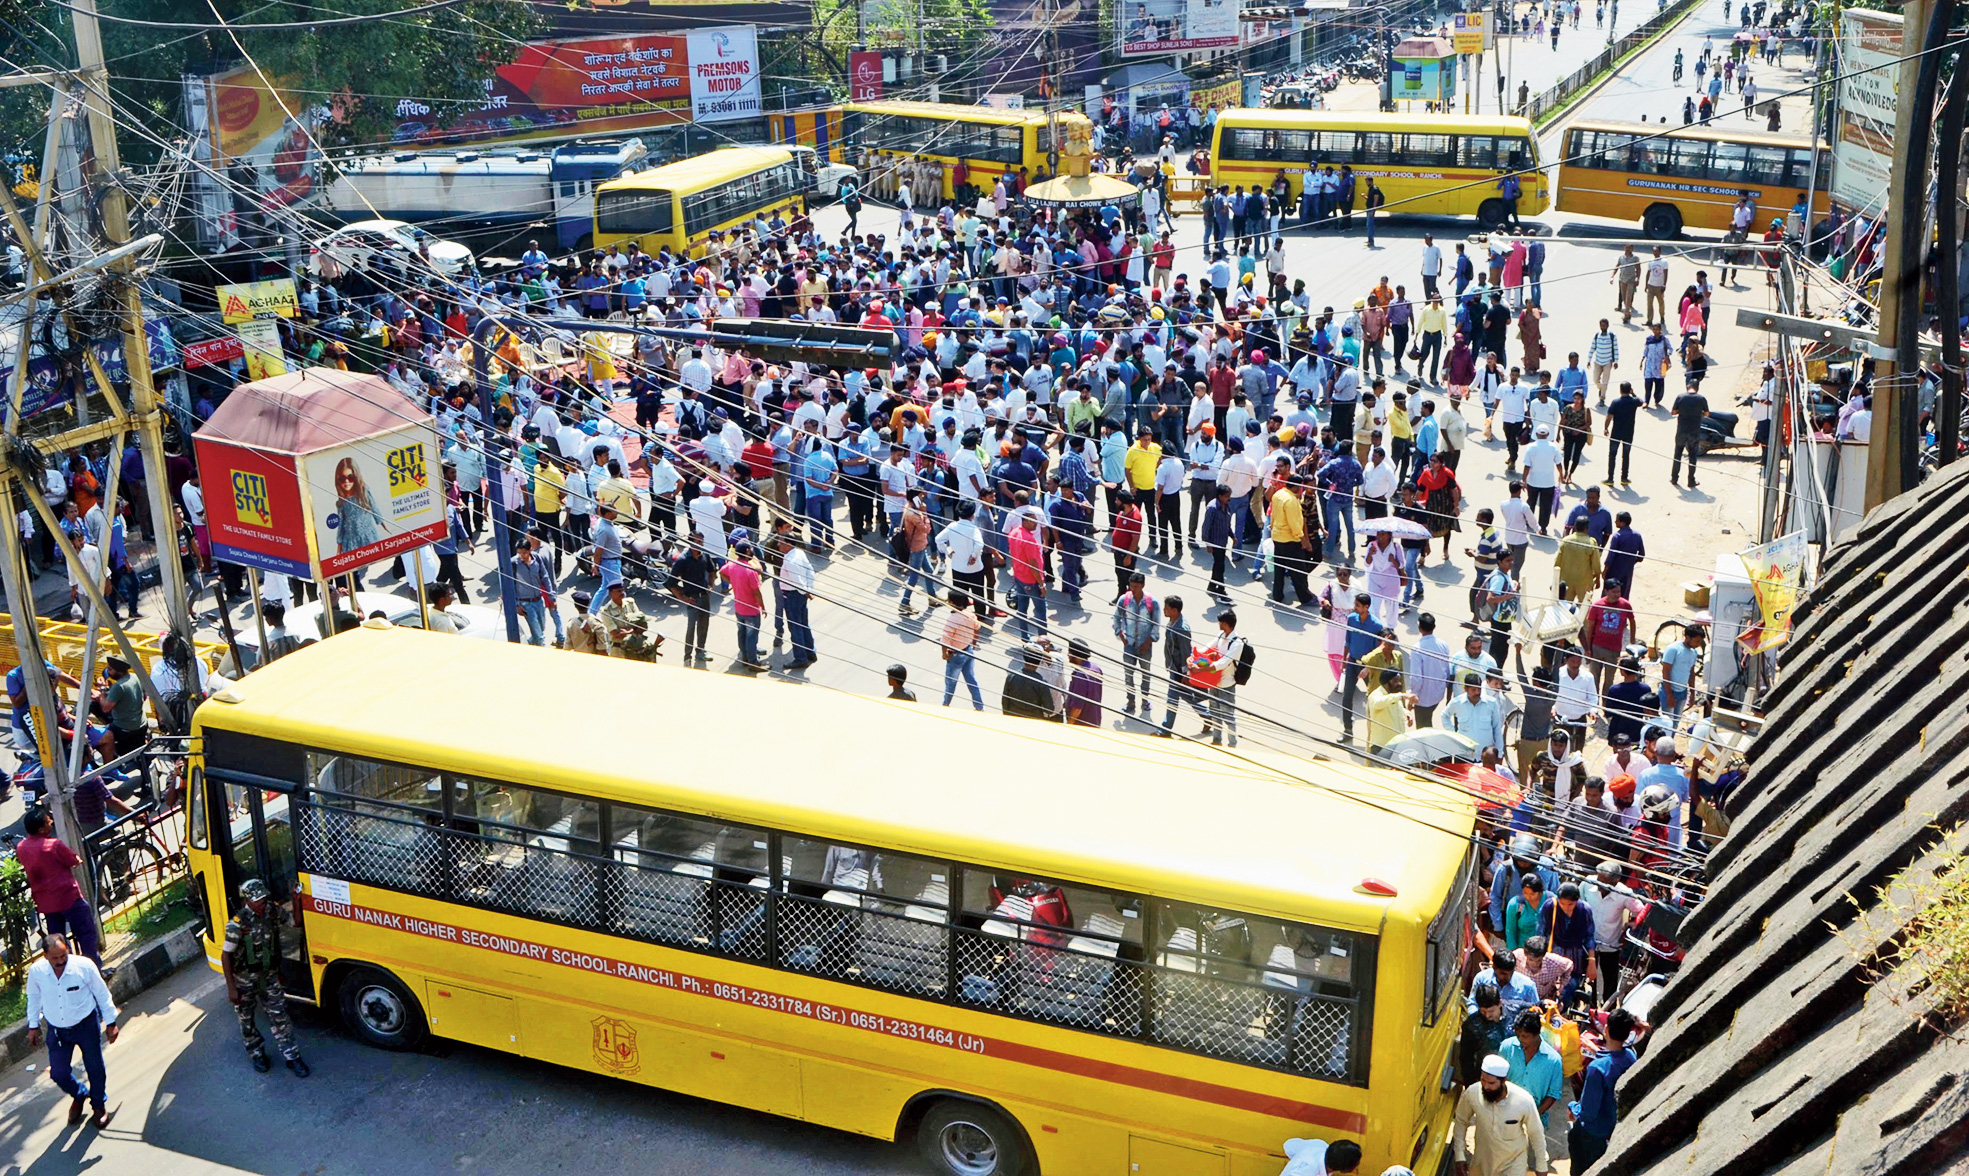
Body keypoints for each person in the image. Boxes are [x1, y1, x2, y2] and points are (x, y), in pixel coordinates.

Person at [24, 932, 118, 1129]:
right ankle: (79, 1094)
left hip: (86, 1025)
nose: (60, 962)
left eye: (63, 956)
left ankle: (98, 1105)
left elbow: (102, 994)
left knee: (95, 1067)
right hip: (57, 1030)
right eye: (55, 958)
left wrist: (111, 1022)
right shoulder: (37, 972)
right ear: (45, 956)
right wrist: (33, 1026)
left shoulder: (83, 966)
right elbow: (33, 998)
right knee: (58, 1073)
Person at [222, 877, 311, 1077]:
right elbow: (226, 955)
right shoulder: (236, 925)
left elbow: (295, 922)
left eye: (263, 899)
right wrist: (231, 988)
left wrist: (296, 900)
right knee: (247, 1020)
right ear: (247, 901)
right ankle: (256, 1053)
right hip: (244, 980)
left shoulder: (271, 911)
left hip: (269, 976)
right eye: (257, 900)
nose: (262, 903)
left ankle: (292, 1056)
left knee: (280, 1016)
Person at [16, 807, 106, 969]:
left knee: (58, 941)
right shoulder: (53, 845)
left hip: (47, 904)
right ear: (42, 829)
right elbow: (73, 860)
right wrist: (77, 859)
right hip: (68, 898)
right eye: (48, 821)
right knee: (86, 933)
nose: (51, 822)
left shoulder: (22, 847)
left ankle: (68, 970)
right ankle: (94, 969)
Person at [1452, 1054, 1550, 1176]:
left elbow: (1536, 1133)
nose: (1486, 1086)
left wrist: (1541, 1165)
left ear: (1503, 1081)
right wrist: (1459, 1156)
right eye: (1483, 1080)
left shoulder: (1523, 1100)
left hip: (1513, 1164)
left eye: (1492, 1083)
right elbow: (1461, 1121)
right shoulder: (1473, 1093)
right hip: (1482, 1163)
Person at [1568, 1009, 1638, 1169]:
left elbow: (1587, 1113)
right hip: (1614, 1129)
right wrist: (1595, 1049)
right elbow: (1614, 1061)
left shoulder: (1596, 1069)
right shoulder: (1630, 1057)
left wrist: (1572, 1106)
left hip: (1593, 1135)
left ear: (1606, 1030)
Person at [1500, 1007, 1569, 1166]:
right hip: (1505, 1115)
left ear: (1537, 1034)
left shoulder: (1553, 1061)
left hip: (1534, 1120)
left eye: (1524, 1036)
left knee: (1528, 1162)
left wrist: (1532, 1115)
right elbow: (1499, 1079)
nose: (1520, 1039)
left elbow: (1553, 1094)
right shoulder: (1506, 1047)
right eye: (1518, 1035)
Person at [1113, 572, 1160, 714]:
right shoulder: (1124, 600)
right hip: (1129, 644)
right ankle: (1131, 701)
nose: (1133, 589)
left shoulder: (1153, 602)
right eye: (1131, 586)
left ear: (1143, 585)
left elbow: (1156, 625)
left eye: (1136, 587)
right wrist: (1121, 636)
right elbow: (1116, 619)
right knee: (1128, 674)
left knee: (1146, 673)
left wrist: (1149, 641)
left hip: (1146, 645)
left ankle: (1145, 700)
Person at [939, 590, 985, 710]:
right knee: (971, 680)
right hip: (968, 650)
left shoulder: (953, 619)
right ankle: (979, 706)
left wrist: (944, 654)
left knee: (950, 683)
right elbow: (977, 628)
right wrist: (974, 643)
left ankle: (945, 705)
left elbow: (945, 638)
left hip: (956, 655)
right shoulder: (970, 614)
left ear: (953, 603)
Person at [1458, 984, 1511, 1087]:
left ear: (1500, 1003)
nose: (1487, 1015)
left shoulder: (1513, 1013)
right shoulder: (1471, 1026)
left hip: (1512, 1075)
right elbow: (1466, 1060)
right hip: (1487, 1079)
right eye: (1483, 1012)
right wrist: (1471, 1086)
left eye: (1491, 1011)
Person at [1671, 379, 1709, 488]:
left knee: (1677, 453)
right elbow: (1707, 414)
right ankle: (1691, 480)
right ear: (1697, 388)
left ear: (1688, 387)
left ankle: (1674, 478)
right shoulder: (1701, 398)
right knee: (1692, 455)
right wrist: (1699, 412)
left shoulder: (1680, 397)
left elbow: (1673, 412)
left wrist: (1681, 411)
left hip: (1681, 430)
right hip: (1694, 432)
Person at [565, 589, 608, 655]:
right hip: (593, 659)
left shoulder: (571, 624)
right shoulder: (596, 623)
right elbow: (602, 648)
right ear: (588, 605)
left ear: (575, 606)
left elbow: (567, 648)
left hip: (578, 659)